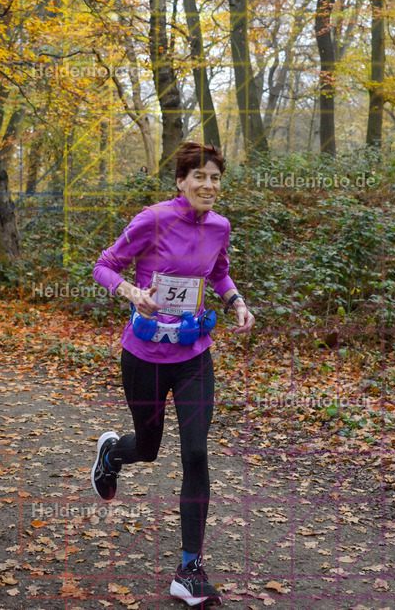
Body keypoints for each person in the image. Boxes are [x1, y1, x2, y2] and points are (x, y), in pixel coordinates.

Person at [90, 142, 255, 607]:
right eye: (199, 176)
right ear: (181, 181)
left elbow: (219, 273)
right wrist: (132, 292)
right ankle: (112, 454)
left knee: (196, 453)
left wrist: (237, 302)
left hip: (193, 355)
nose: (208, 185)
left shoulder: (220, 227)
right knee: (148, 448)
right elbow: (104, 266)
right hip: (144, 355)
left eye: (215, 178)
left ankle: (190, 569)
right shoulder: (154, 219)